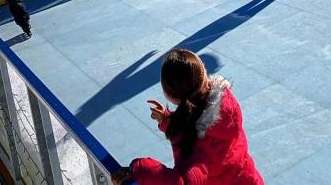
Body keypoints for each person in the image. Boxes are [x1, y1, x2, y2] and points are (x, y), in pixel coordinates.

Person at [112, 48, 263, 185]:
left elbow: (183, 182)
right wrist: (169, 121)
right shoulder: (227, 109)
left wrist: (139, 170)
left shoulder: (195, 145)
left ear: (169, 95)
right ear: (203, 73)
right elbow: (196, 120)